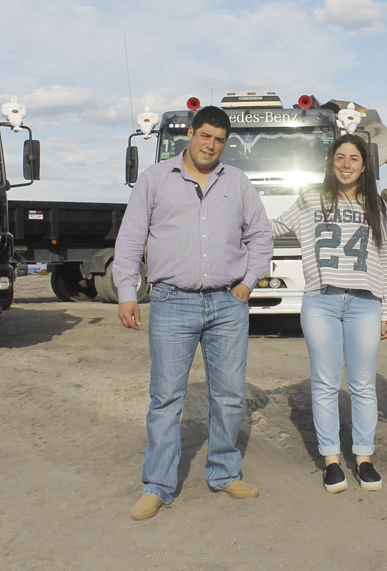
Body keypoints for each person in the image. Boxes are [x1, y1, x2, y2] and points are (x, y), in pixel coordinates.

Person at [114, 105, 274, 520]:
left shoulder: (237, 182)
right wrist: (126, 293)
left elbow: (261, 235)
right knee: (166, 398)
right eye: (205, 136)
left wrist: (248, 282)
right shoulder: (154, 179)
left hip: (228, 303)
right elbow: (131, 238)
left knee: (228, 395)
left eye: (219, 140)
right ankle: (158, 486)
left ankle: (223, 472)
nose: (211, 145)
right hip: (171, 301)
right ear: (190, 133)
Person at [271, 134, 387, 494]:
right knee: (325, 383)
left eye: (353, 158)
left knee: (362, 384)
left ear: (364, 165)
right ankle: (331, 460)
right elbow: (275, 228)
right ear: (329, 162)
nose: (345, 164)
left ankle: (364, 457)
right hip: (321, 302)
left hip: (364, 304)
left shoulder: (378, 206)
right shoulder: (311, 200)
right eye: (339, 157)